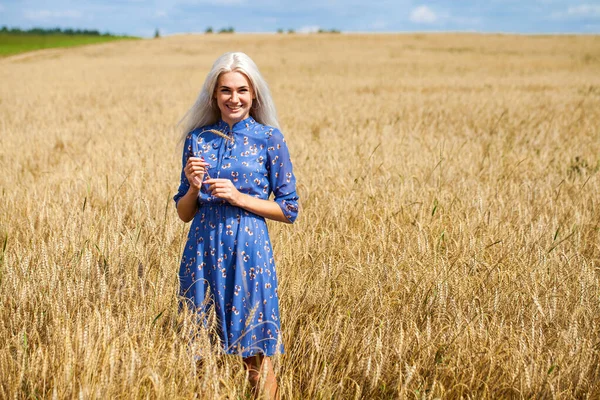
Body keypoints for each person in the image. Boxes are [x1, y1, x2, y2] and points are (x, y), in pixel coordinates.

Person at [173, 52, 299, 399]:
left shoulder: (269, 138)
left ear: (254, 94)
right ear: (213, 95)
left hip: (249, 249)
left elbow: (289, 209)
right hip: (201, 249)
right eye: (225, 90)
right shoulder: (197, 139)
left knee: (255, 355)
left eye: (242, 90)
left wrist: (238, 197)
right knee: (201, 354)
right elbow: (184, 212)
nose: (234, 98)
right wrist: (194, 187)